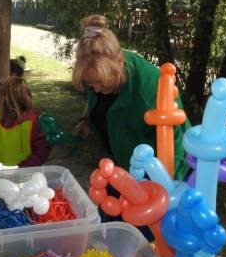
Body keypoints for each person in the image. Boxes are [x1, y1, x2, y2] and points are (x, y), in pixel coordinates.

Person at [72, 14, 190, 181]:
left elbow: (175, 145)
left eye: (101, 82)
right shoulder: (100, 65)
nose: (96, 89)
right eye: (90, 84)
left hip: (165, 170)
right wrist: (86, 119)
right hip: (125, 166)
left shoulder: (150, 93)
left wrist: (165, 188)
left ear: (120, 62)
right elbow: (96, 97)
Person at [0, 76, 51, 170]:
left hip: (26, 181)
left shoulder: (33, 122)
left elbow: (42, 151)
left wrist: (22, 170)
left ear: (5, 99)